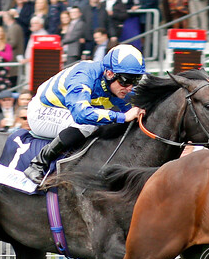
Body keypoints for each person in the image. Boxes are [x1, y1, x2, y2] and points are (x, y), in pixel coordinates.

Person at [23, 44, 145, 184]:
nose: (130, 87)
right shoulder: (84, 75)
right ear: (109, 73)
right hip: (42, 111)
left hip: (67, 111)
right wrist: (123, 117)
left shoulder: (119, 85)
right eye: (126, 81)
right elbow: (81, 115)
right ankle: (38, 164)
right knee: (88, 125)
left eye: (136, 81)